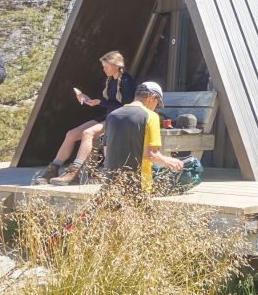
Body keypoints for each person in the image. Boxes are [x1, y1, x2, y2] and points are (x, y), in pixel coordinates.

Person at [33, 50, 136, 185]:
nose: (104, 69)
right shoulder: (110, 81)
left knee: (88, 133)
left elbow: (125, 105)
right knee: (71, 134)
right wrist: (89, 100)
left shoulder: (127, 81)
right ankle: (53, 168)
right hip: (107, 116)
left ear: (116, 65)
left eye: (106, 66)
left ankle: (74, 171)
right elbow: (107, 103)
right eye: (103, 66)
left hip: (119, 118)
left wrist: (100, 102)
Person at [103, 81, 182, 192]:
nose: (156, 108)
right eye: (157, 104)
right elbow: (151, 155)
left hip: (110, 185)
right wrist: (169, 161)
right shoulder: (151, 116)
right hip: (137, 188)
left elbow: (107, 152)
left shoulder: (112, 115)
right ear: (152, 97)